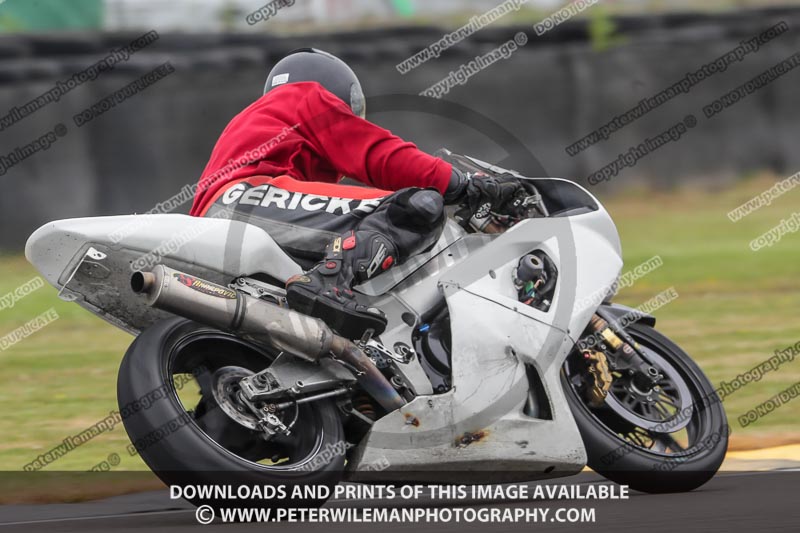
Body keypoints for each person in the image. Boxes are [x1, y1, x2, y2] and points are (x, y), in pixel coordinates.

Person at [190, 48, 523, 339]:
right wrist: (462, 184)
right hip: (247, 201)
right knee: (417, 206)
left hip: (220, 221)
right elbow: (379, 154)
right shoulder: (304, 96)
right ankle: (328, 282)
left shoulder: (257, 127)